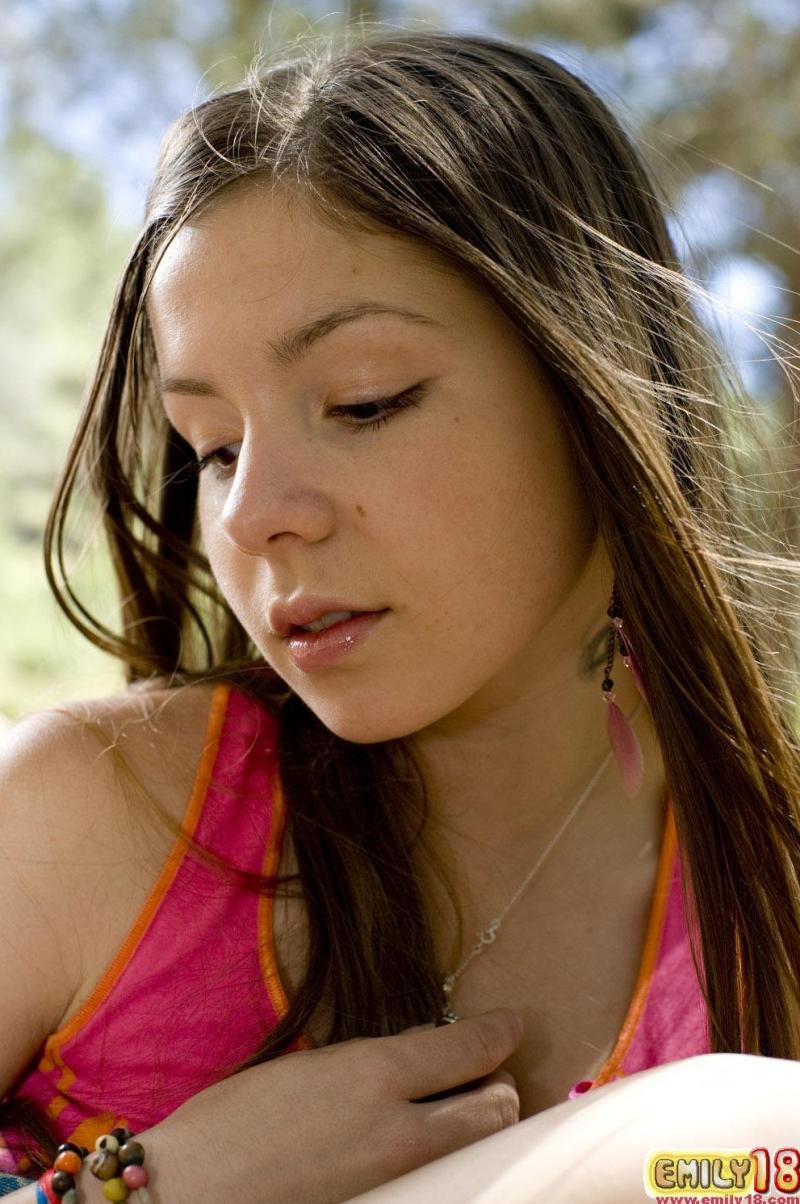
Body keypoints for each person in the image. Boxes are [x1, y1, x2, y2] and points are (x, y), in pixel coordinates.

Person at [2, 23, 800, 1204]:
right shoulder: (86, 819)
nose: (253, 513)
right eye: (212, 447)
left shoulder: (767, 901)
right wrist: (160, 1186)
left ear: (590, 386)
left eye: (364, 402)